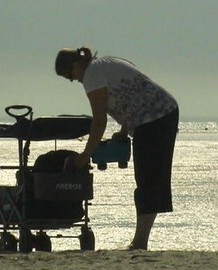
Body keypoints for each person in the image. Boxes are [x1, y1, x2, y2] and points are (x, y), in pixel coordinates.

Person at [55, 46, 179, 250]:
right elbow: (133, 91)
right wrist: (124, 129)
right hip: (161, 114)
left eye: (70, 75)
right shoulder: (105, 64)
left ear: (76, 65)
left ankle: (140, 242)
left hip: (155, 118)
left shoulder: (92, 75)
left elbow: (99, 121)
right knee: (151, 179)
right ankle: (141, 240)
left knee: (148, 179)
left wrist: (84, 156)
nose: (72, 80)